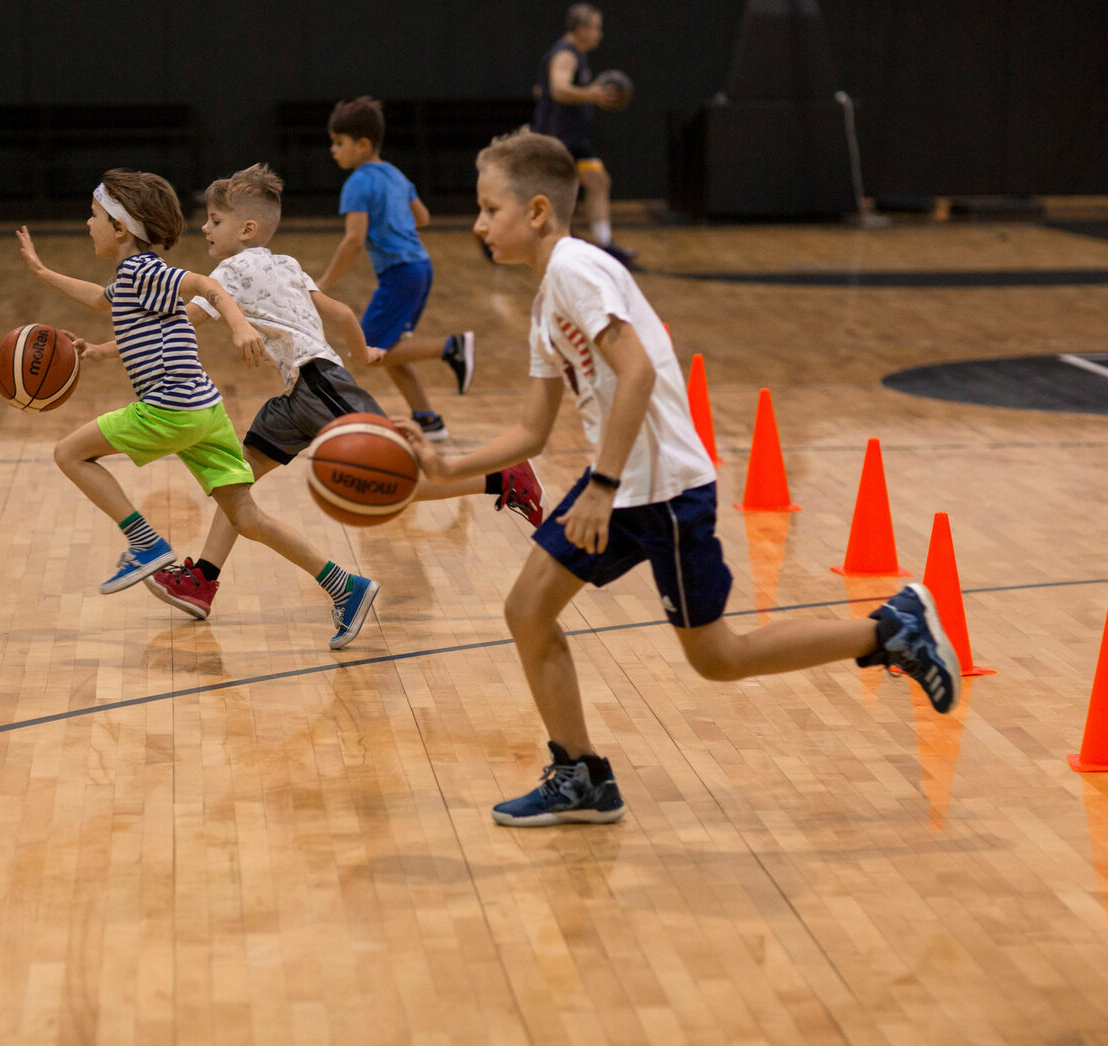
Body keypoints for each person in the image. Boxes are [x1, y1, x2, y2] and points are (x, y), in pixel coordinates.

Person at [397, 129, 961, 826]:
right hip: (621, 481)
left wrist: (601, 487)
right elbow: (532, 432)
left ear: (537, 211)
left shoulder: (578, 270)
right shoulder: (548, 302)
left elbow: (635, 369)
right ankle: (581, 776)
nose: (479, 225)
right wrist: (450, 464)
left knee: (718, 657)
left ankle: (889, 628)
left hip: (659, 488)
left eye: (489, 209)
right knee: (527, 610)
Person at [147, 163, 544, 622]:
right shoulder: (289, 264)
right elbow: (341, 312)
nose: (205, 227)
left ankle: (503, 477)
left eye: (215, 221)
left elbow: (183, 321)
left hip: (318, 385)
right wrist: (366, 352)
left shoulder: (230, 270)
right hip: (303, 388)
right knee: (237, 481)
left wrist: (112, 342)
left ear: (247, 229)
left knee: (391, 482)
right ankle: (203, 580)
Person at [15, 169, 381, 649]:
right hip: (204, 412)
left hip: (170, 409)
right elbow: (101, 302)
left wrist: (239, 326)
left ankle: (144, 542)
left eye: (95, 215)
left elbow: (210, 288)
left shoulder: (145, 272)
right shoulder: (130, 278)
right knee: (245, 516)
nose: (89, 223)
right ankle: (345, 586)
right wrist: (44, 275)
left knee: (69, 454)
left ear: (121, 228)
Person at [316, 96, 475, 443]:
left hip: (401, 273)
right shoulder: (395, 174)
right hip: (420, 267)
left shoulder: (358, 183)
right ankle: (428, 419)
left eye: (339, 142)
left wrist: (324, 282)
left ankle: (451, 347)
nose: (333, 150)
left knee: (369, 349)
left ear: (363, 144)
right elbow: (423, 217)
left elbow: (353, 241)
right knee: (390, 349)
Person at [531, 3, 634, 267]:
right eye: (596, 28)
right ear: (581, 29)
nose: (600, 34)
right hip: (557, 140)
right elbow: (558, 89)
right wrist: (594, 94)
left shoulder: (575, 55)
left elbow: (545, 89)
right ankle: (503, 240)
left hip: (574, 138)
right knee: (545, 195)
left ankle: (603, 243)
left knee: (598, 181)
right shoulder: (566, 54)